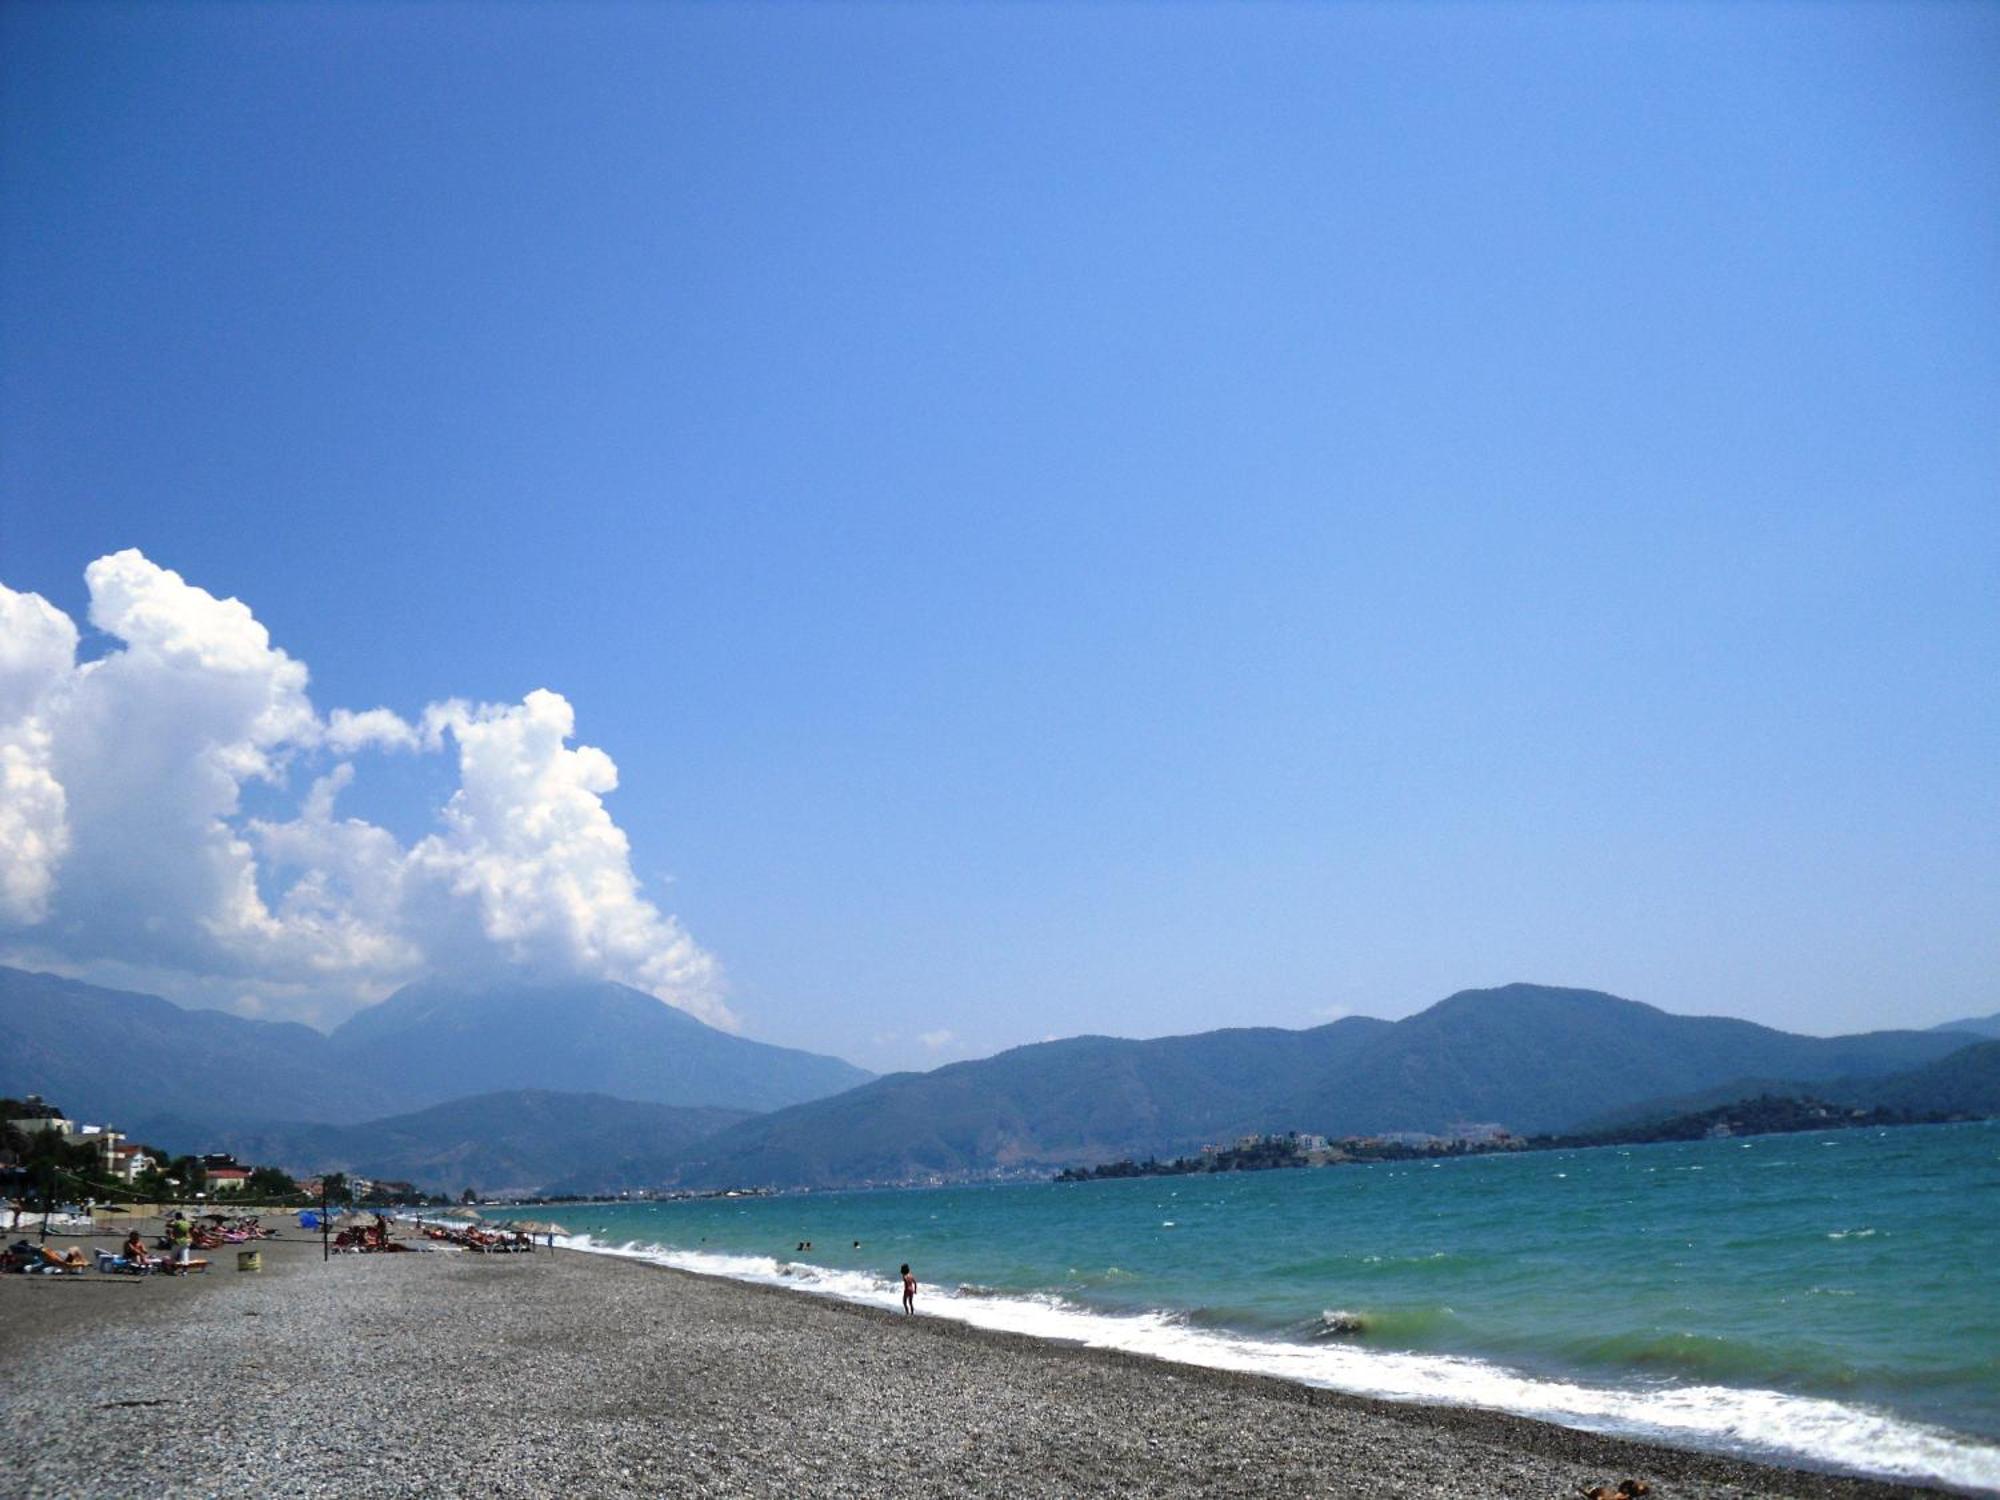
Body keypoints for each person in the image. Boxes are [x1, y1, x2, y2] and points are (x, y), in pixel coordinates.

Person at [167, 1210, 194, 1275]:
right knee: (185, 1256)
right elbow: (191, 1228)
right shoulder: (187, 1223)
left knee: (173, 1256)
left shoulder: (177, 1222)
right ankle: (185, 1271)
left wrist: (170, 1221)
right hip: (186, 1241)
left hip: (178, 1241)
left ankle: (172, 1270)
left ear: (176, 1217)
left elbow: (168, 1225)